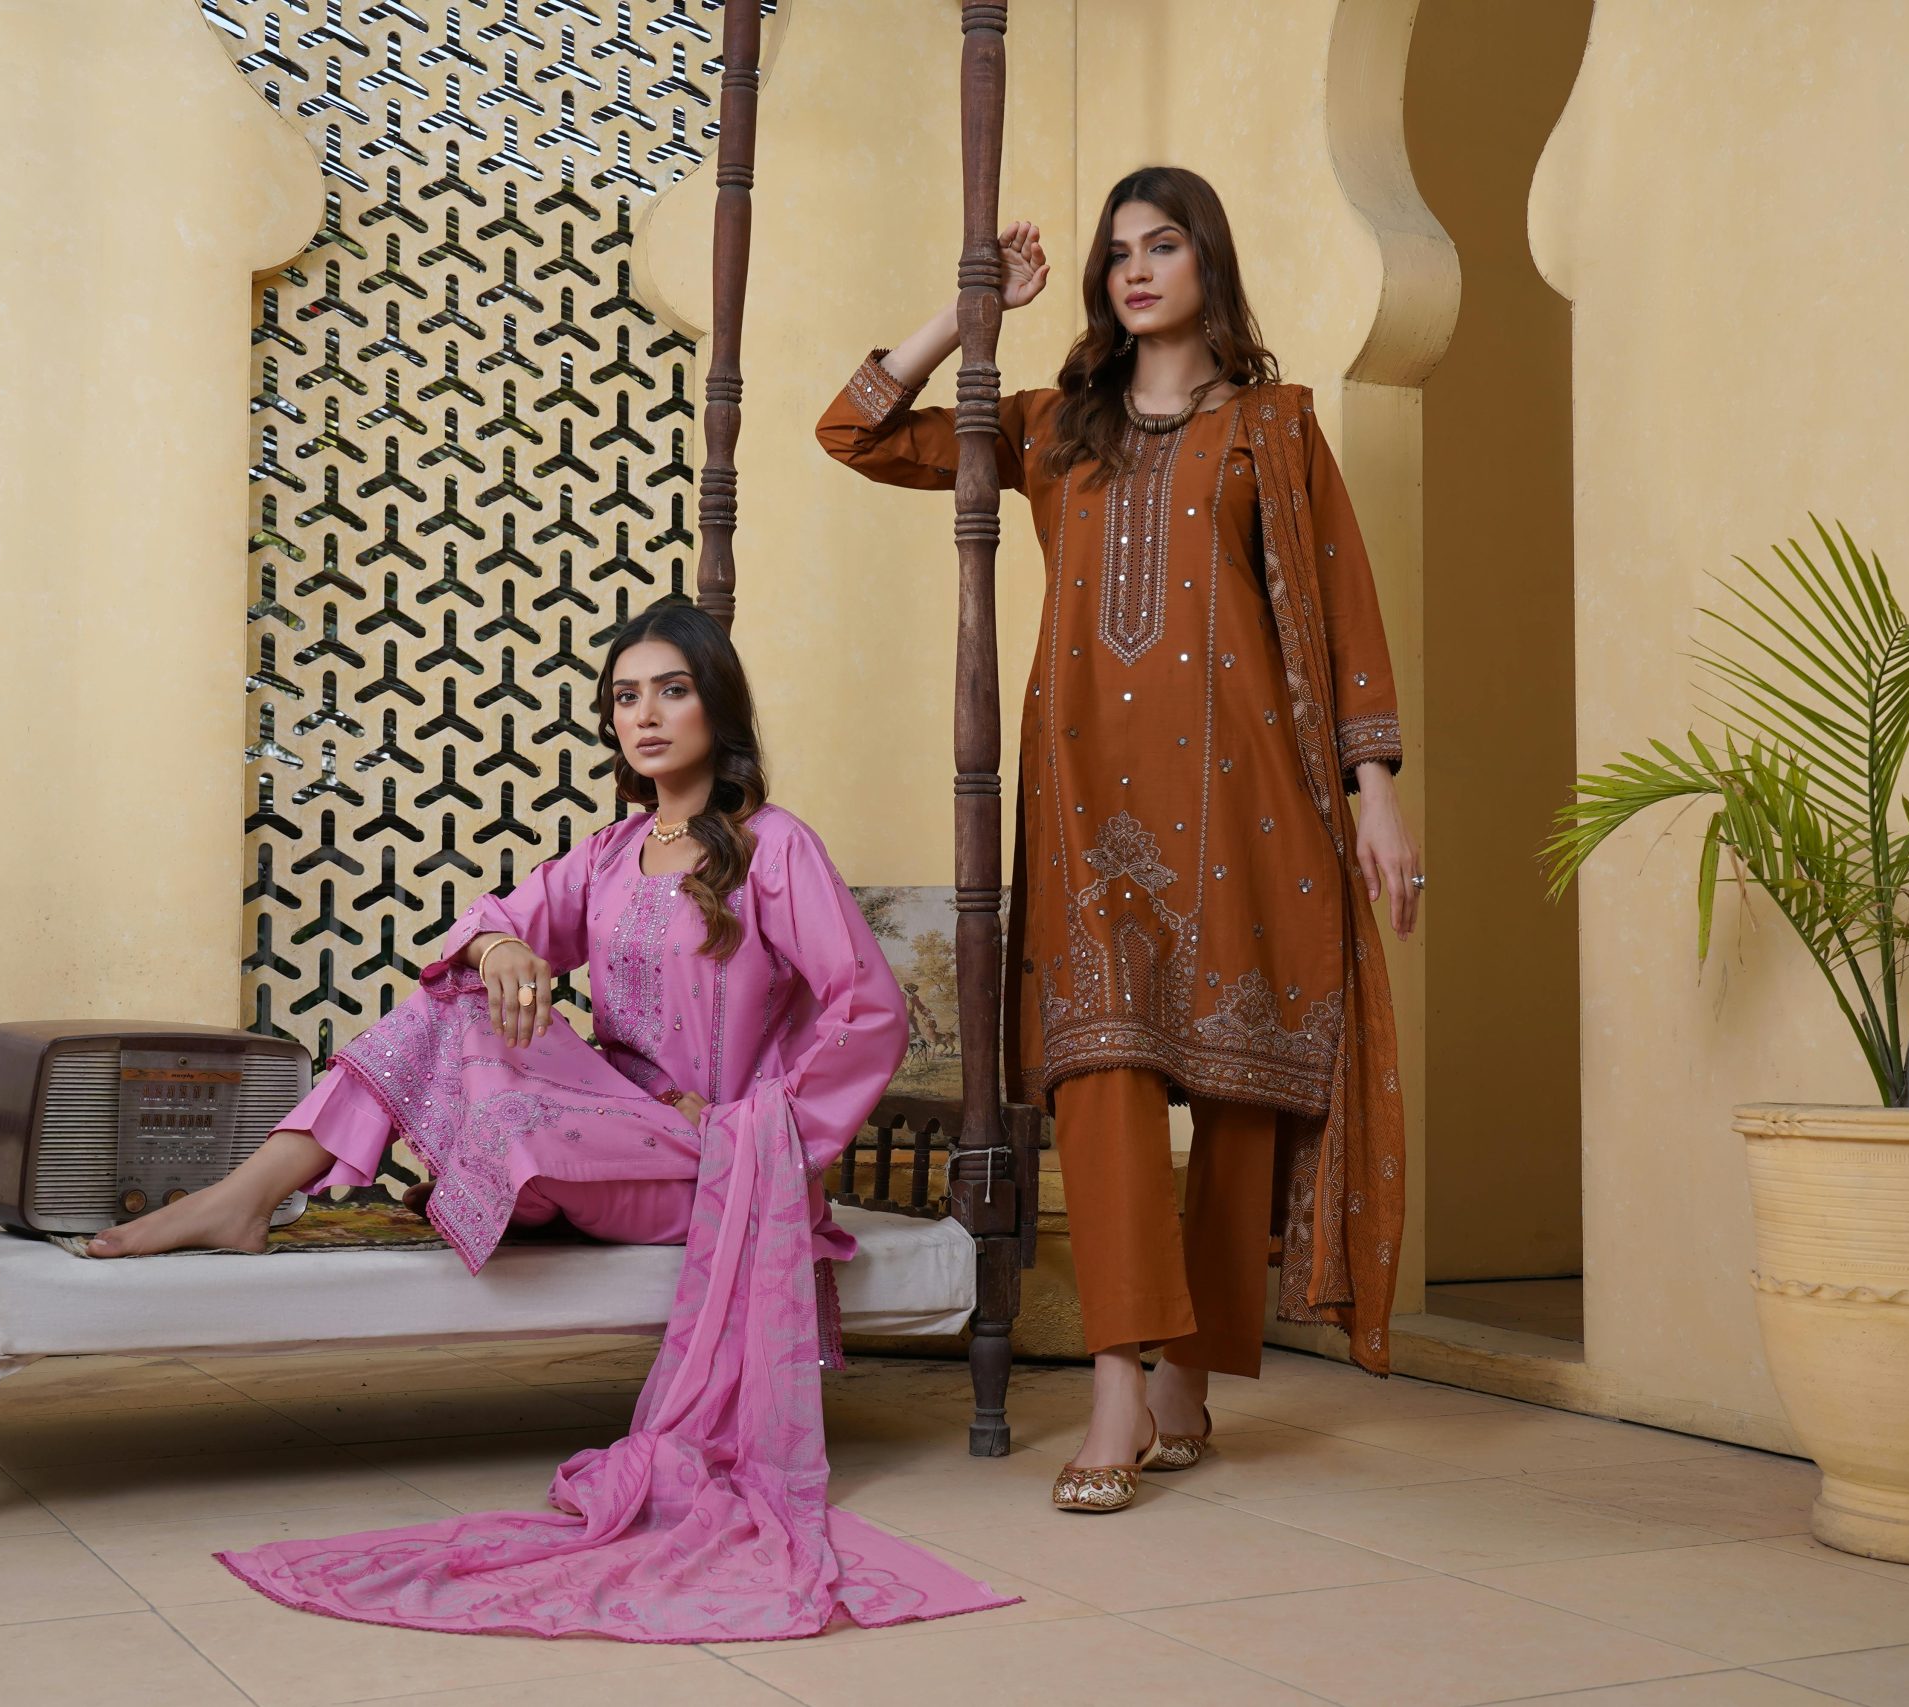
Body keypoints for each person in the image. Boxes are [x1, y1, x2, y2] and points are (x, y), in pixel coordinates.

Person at [88, 600, 1012, 1639]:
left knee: (480, 1057)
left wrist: (764, 1119)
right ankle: (253, 1194)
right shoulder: (612, 854)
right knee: (451, 1000)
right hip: (614, 1125)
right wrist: (502, 952)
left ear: (718, 705)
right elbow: (483, 926)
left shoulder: (773, 849)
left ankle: (364, 1191)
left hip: (714, 1157)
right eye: (626, 697)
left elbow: (866, 1009)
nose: (646, 716)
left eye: (672, 690)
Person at [818, 165, 1423, 1515]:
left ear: (1208, 258)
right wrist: (966, 312)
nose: (1134, 269)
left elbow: (1342, 604)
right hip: (1091, 805)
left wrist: (1376, 788)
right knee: (1100, 1077)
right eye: (1116, 253)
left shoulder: (1274, 428)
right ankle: (1115, 1377)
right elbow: (854, 432)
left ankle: (1191, 1367)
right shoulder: (1053, 429)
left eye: (1162, 245)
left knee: (1238, 1088)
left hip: (1247, 796)